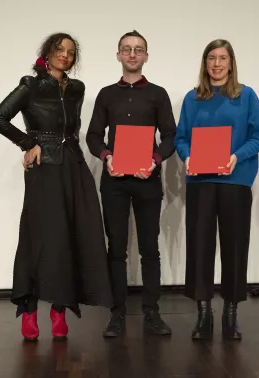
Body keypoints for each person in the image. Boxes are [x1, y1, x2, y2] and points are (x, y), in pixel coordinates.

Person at [0, 33, 113, 341]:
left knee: (75, 232)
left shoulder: (77, 89)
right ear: (47, 52)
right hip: (44, 169)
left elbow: (71, 129)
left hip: (74, 165)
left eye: (71, 52)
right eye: (59, 50)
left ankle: (60, 309)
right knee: (41, 237)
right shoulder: (30, 85)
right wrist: (28, 144)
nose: (65, 55)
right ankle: (29, 310)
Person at [174, 39, 259, 340]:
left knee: (235, 247)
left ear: (231, 62)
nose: (216, 64)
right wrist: (187, 157)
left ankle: (231, 313)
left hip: (235, 181)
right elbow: (180, 138)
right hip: (200, 182)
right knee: (200, 247)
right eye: (211, 58)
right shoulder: (192, 98)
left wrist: (236, 157)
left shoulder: (246, 95)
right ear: (205, 63)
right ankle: (204, 314)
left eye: (222, 58)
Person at [86, 30, 176, 337]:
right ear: (119, 55)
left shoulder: (158, 94)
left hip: (147, 180)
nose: (133, 54)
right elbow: (93, 136)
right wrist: (107, 156)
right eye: (127, 49)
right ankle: (117, 313)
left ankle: (152, 312)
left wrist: (154, 159)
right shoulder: (106, 94)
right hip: (114, 181)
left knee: (150, 249)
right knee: (117, 250)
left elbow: (170, 136)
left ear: (146, 56)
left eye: (138, 50)